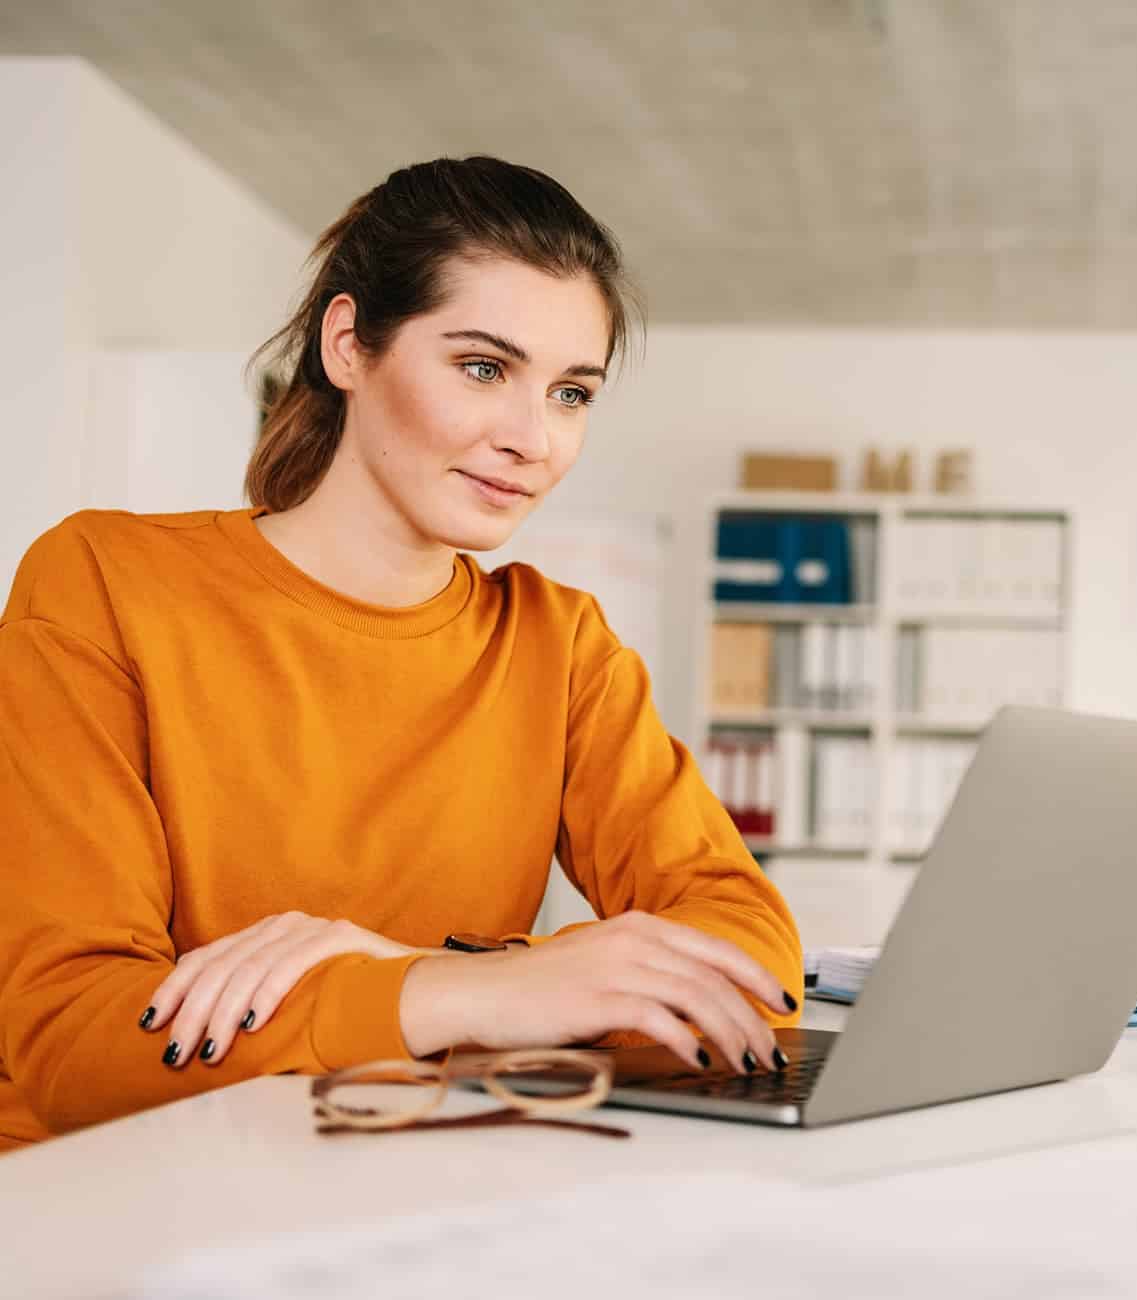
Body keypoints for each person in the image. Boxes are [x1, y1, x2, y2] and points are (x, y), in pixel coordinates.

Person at [0, 156, 802, 1153]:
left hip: (399, 1178)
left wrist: (420, 973)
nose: (532, 438)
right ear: (348, 345)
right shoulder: (103, 582)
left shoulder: (562, 644)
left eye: (572, 393)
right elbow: (77, 1044)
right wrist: (465, 987)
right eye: (482, 368)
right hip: (112, 1197)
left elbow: (753, 951)